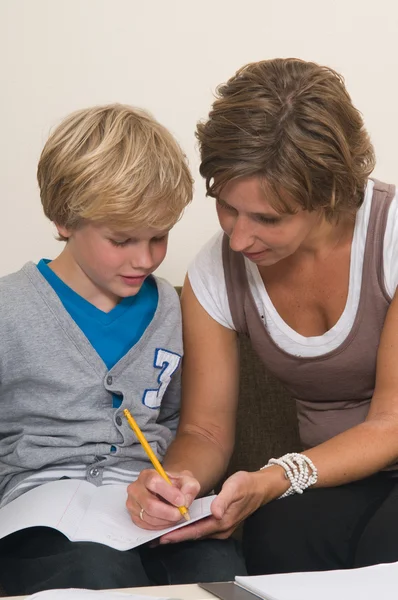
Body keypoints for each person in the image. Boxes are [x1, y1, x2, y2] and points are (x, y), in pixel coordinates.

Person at [127, 58, 398, 575]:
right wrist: (177, 481)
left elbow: (391, 422)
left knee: (387, 551)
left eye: (267, 219)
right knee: (279, 534)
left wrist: (276, 476)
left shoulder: (391, 236)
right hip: (340, 480)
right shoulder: (217, 270)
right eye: (227, 206)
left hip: (358, 458)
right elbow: (206, 431)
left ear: (329, 194)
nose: (238, 238)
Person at [0, 104, 245, 596]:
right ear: (63, 219)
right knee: (93, 575)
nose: (145, 258)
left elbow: (180, 425)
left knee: (219, 564)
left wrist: (173, 485)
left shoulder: (171, 310)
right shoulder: (11, 307)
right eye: (122, 239)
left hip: (145, 509)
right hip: (38, 515)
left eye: (159, 238)